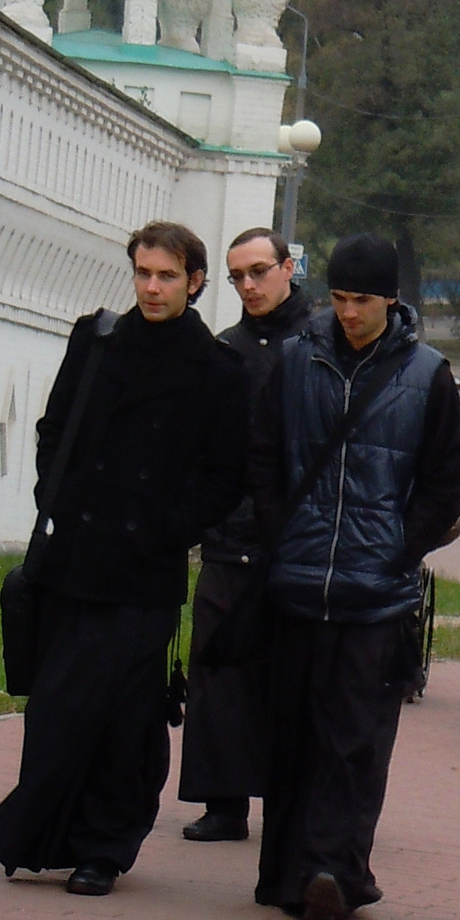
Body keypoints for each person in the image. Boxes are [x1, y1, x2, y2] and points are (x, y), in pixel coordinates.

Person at [0, 222, 248, 894]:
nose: (151, 288)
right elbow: (53, 429)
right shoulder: (94, 341)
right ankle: (45, 832)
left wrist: (164, 528)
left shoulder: (217, 370)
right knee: (58, 705)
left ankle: (104, 846)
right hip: (73, 559)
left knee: (126, 717)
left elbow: (225, 476)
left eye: (166, 276)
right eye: (142, 273)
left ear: (195, 281)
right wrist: (58, 496)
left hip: (143, 573)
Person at [249, 234, 460, 920]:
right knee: (290, 738)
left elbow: (444, 483)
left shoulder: (427, 374)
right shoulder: (294, 362)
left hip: (375, 595)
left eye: (362, 300)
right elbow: (260, 456)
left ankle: (333, 874)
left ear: (391, 300)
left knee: (353, 741)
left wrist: (400, 550)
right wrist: (279, 529)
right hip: (295, 583)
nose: (349, 313)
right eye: (340, 298)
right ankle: (283, 873)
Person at [179, 228, 311, 844]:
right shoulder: (223, 350)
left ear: (289, 267)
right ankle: (223, 800)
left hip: (302, 539)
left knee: (296, 675)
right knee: (218, 667)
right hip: (232, 537)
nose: (250, 285)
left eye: (260, 271)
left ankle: (297, 796)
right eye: (238, 276)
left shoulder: (319, 345)